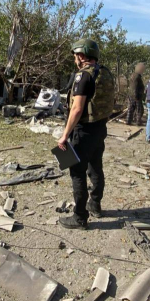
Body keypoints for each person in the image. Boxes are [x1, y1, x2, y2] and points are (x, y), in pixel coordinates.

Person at [57, 38, 115, 229]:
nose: (74, 59)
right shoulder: (104, 73)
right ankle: (95, 205)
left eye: (75, 56)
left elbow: (76, 109)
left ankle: (80, 217)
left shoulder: (84, 76)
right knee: (95, 167)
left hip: (83, 131)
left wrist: (65, 134)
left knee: (77, 172)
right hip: (100, 128)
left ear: (81, 56)